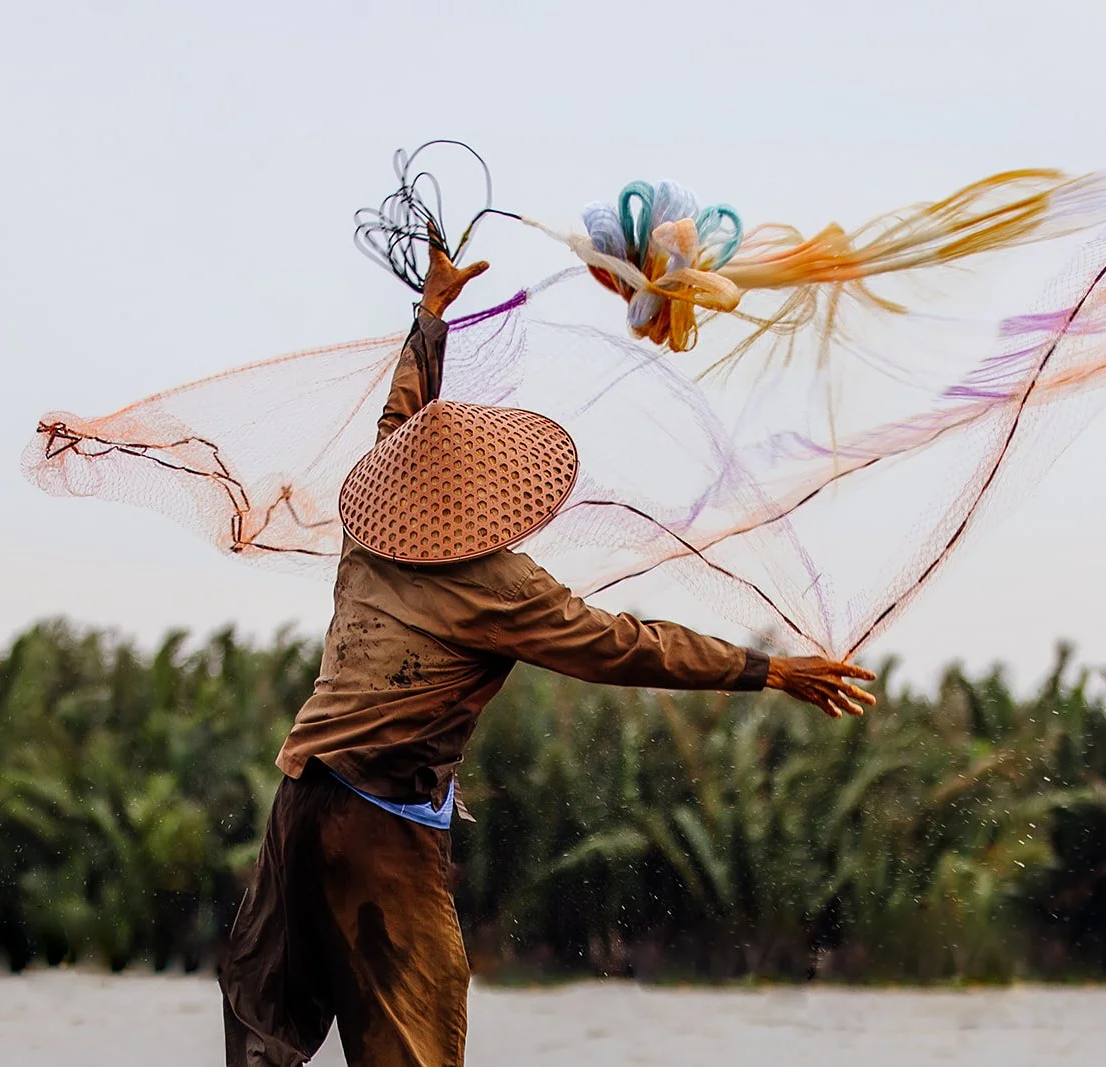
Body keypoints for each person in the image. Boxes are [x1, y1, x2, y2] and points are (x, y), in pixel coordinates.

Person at [218, 233, 877, 1067]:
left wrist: (429, 317)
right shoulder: (500, 588)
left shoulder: (366, 529)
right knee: (415, 1045)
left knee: (263, 1030)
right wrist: (770, 669)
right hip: (380, 830)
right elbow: (629, 647)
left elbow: (399, 423)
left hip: (299, 802)